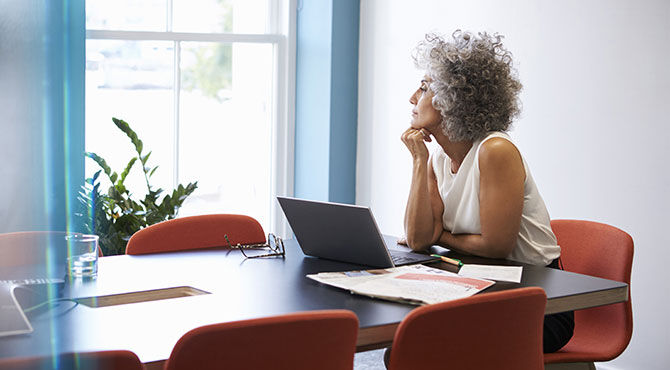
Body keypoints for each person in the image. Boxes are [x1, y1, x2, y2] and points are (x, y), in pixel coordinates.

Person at [400, 31, 574, 354]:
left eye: (424, 87)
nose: (413, 97)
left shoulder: (495, 151)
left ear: (455, 98)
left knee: (424, 350)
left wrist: (443, 236)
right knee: (405, 349)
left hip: (539, 303)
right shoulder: (437, 157)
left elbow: (495, 246)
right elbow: (418, 238)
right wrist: (418, 159)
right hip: (480, 289)